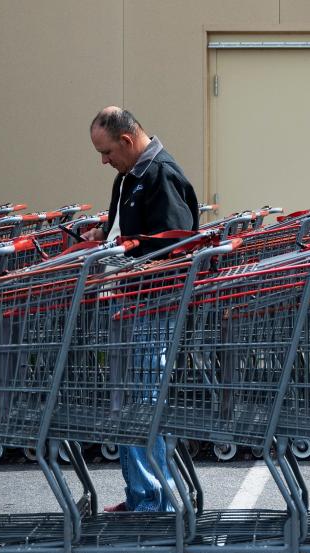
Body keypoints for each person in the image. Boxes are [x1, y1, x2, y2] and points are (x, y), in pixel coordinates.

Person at [87, 106, 199, 512]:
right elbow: (128, 231)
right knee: (132, 403)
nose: (103, 161)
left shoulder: (161, 176)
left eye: (106, 151)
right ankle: (143, 494)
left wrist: (134, 268)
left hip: (153, 306)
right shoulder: (128, 176)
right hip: (131, 305)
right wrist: (101, 233)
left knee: (142, 404)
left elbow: (178, 250)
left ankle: (154, 501)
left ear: (127, 141)